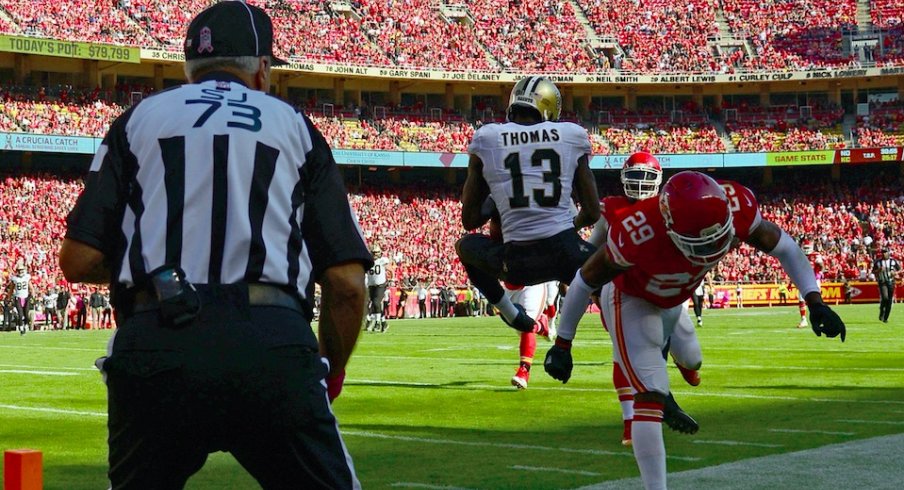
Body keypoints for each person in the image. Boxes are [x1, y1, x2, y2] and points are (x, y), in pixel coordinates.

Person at [58, 3, 371, 487]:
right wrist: (327, 372)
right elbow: (347, 285)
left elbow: (78, 260)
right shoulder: (295, 125)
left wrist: (154, 269)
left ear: (189, 67)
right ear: (262, 69)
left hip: (159, 343)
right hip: (271, 343)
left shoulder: (138, 119)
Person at [545, 171, 846, 490]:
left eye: (719, 240)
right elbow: (584, 280)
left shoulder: (736, 203)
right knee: (650, 394)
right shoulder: (637, 232)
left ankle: (669, 379)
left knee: (693, 360)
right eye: (700, 244)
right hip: (633, 298)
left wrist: (816, 302)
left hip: (675, 299)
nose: (712, 251)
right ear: (670, 227)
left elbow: (784, 246)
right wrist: (563, 343)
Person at [456, 76, 600, 333]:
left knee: (465, 246)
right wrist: (569, 229)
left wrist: (498, 199)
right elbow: (591, 212)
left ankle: (512, 314)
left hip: (517, 263)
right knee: (614, 276)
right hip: (565, 253)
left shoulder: (487, 137)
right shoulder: (571, 134)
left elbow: (470, 220)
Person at [585, 151, 699, 446]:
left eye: (646, 177)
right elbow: (589, 250)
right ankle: (630, 423)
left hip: (667, 291)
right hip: (624, 293)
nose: (639, 183)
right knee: (622, 356)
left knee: (693, 359)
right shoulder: (611, 209)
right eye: (634, 176)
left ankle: (677, 356)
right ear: (623, 179)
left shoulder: (671, 207)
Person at [366, 244, 391, 332]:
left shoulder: (382, 260)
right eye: (374, 252)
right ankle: (384, 323)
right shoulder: (368, 262)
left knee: (376, 302)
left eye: (377, 252)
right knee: (375, 304)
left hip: (381, 285)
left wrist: (391, 277)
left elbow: (390, 268)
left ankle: (377, 322)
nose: (375, 254)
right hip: (371, 285)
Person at [874, 249, 901, 323]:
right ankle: (882, 311)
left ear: (888, 253)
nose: (884, 254)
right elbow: (873, 271)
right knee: (885, 297)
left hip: (891, 282)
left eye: (885, 252)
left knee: (889, 300)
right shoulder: (878, 262)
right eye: (882, 253)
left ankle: (885, 318)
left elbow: (900, 269)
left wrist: (895, 273)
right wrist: (879, 270)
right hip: (882, 282)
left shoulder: (893, 261)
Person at [7, 263, 32, 335]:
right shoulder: (15, 279)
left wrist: (33, 296)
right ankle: (21, 328)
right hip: (18, 298)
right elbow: (11, 290)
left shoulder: (27, 277)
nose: (21, 271)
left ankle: (26, 326)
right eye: (19, 270)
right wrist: (9, 299)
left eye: (22, 270)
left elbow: (31, 288)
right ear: (17, 271)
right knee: (20, 315)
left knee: (26, 314)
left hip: (26, 297)